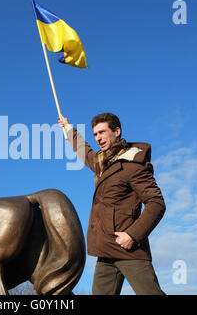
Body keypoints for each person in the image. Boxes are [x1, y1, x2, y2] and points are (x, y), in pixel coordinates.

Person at [58, 113, 166, 295]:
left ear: (117, 132)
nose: (98, 138)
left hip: (129, 249)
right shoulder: (103, 163)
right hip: (106, 250)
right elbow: (86, 152)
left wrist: (132, 235)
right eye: (95, 134)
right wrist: (68, 129)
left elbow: (156, 203)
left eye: (102, 132)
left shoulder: (133, 164)